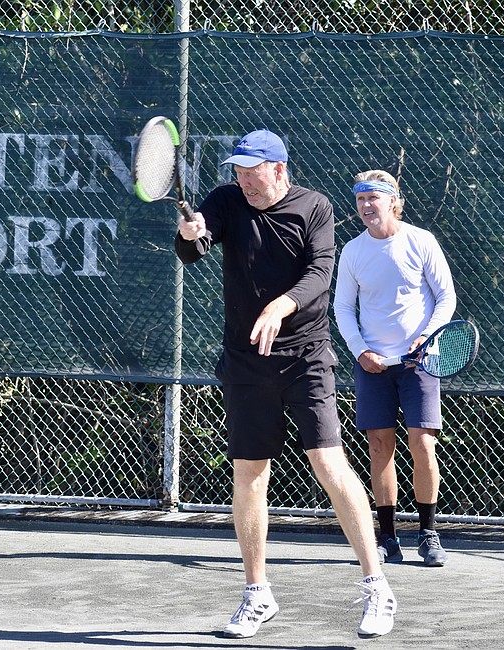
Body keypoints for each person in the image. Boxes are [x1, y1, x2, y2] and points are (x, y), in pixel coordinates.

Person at [174, 129, 397, 639]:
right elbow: (197, 247)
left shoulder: (314, 208)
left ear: (279, 169)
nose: (244, 182)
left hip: (306, 357)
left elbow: (320, 273)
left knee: (328, 462)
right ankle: (256, 595)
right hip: (246, 360)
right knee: (250, 472)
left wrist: (281, 304)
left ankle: (377, 586)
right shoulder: (228, 199)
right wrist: (189, 237)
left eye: (253, 173)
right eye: (239, 173)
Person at [333, 169, 456, 568]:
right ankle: (387, 538)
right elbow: (342, 308)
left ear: (392, 201)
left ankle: (428, 533)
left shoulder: (421, 241)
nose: (366, 206)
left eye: (374, 198)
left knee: (423, 444)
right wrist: (360, 350)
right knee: (379, 447)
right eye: (360, 200)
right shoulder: (352, 251)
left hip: (420, 362)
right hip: (373, 365)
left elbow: (445, 298)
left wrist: (428, 337)